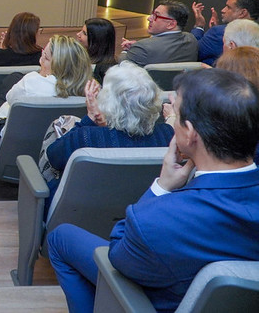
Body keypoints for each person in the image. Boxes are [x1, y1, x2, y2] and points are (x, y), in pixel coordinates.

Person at [47, 69, 259, 313]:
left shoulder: (157, 220)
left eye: (175, 115)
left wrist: (161, 188)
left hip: (160, 299)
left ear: (190, 133)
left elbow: (118, 255)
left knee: (60, 237)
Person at [44, 63, 174, 196]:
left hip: (83, 206)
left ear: (108, 102)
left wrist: (90, 118)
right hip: (145, 204)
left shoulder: (85, 137)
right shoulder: (168, 135)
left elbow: (52, 157)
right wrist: (173, 117)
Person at [0, 35, 91, 121]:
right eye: (43, 52)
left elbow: (10, 98)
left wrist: (40, 75)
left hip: (19, 131)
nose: (41, 59)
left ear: (59, 66)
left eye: (45, 56)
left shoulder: (31, 81)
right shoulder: (90, 91)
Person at [119, 0, 198, 67]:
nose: (149, 18)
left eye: (156, 15)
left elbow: (122, 65)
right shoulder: (191, 39)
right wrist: (137, 47)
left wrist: (126, 51)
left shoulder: (143, 47)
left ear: (171, 24)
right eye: (152, 14)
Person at [191, 0, 259, 66]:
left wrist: (199, 26)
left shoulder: (218, 33)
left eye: (228, 7)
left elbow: (191, 51)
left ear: (242, 13)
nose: (223, 10)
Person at [76, 18, 117, 83]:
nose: (78, 34)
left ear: (97, 40)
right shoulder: (81, 56)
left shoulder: (107, 71)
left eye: (84, 33)